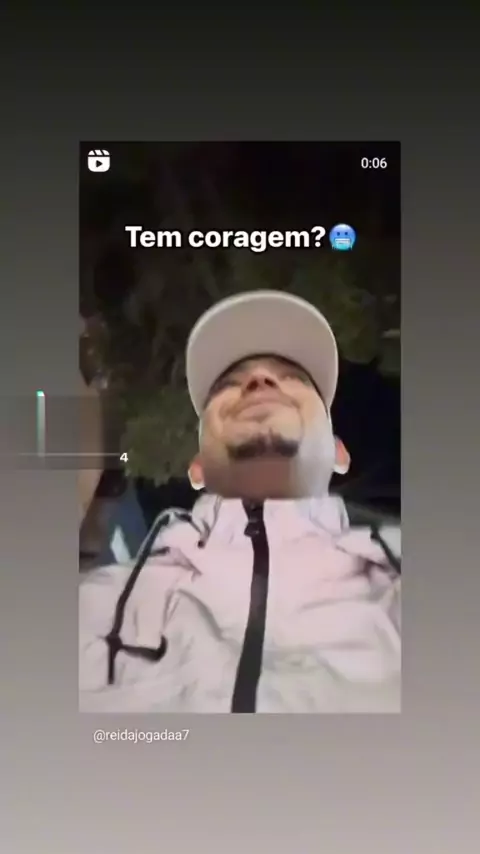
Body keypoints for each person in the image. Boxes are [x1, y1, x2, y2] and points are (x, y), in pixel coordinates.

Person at [79, 290, 401, 713]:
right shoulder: (94, 605)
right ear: (196, 468)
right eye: (229, 385)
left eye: (293, 377)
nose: (259, 380)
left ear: (339, 453)